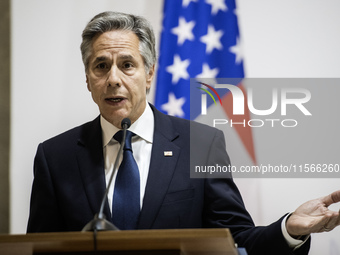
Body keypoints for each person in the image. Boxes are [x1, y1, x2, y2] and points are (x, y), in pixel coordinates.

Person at [27, 11, 340, 255]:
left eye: (127, 65)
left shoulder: (200, 144)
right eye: (100, 66)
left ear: (149, 74)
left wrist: (290, 228)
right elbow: (39, 248)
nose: (113, 79)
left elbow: (236, 240)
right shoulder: (56, 156)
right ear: (87, 79)